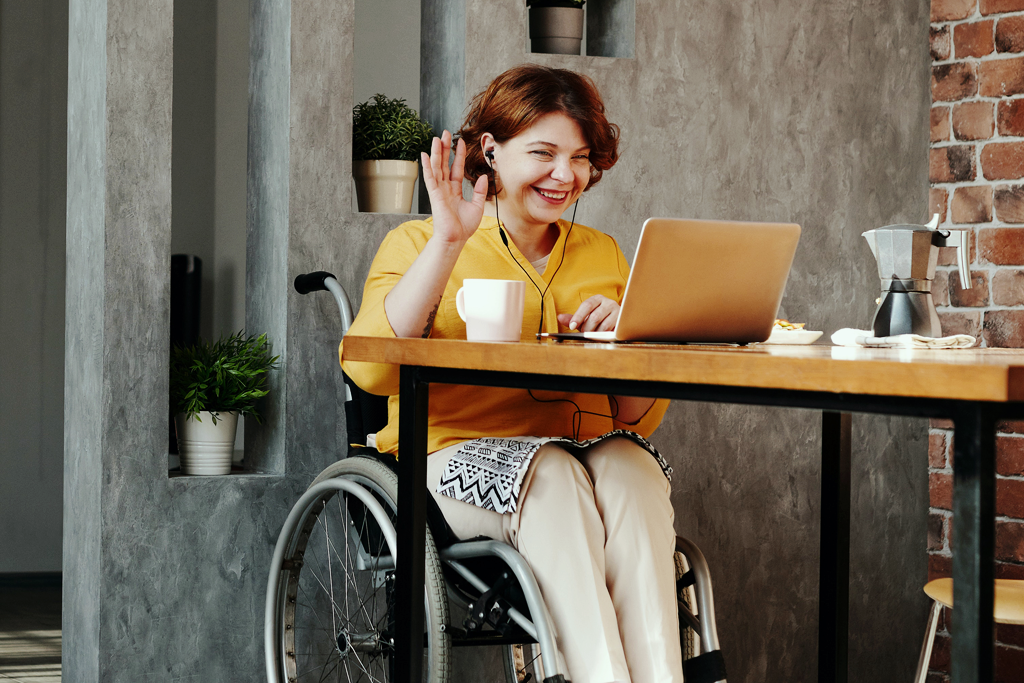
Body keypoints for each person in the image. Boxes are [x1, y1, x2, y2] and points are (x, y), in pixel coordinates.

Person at [341, 64, 683, 683]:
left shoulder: (602, 253)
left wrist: (626, 335)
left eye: (579, 158)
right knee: (551, 474)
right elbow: (368, 369)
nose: (565, 176)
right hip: (449, 461)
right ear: (492, 151)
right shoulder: (418, 242)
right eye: (544, 153)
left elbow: (633, 415)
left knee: (632, 469)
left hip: (583, 456)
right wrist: (449, 241)